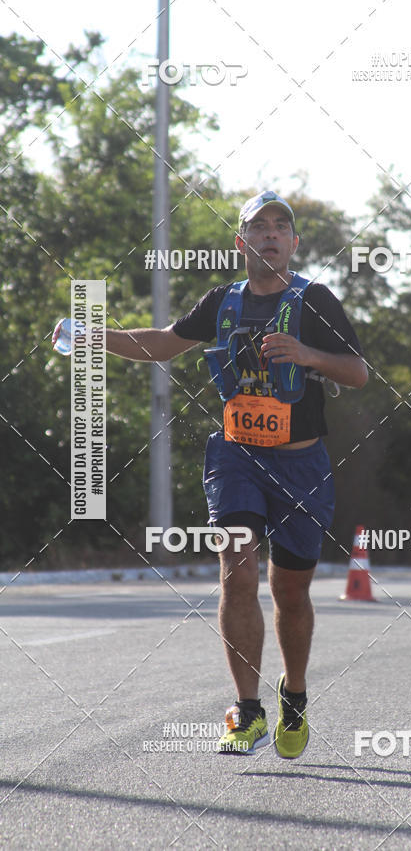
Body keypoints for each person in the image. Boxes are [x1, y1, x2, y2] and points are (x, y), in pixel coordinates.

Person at [55, 190, 367, 758]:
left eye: (281, 226)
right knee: (237, 571)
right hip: (236, 456)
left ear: (294, 243)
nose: (270, 234)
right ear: (241, 240)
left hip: (302, 464)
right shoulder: (221, 302)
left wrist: (308, 355)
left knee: (290, 592)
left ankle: (293, 694)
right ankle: (247, 711)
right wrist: (91, 337)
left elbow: (358, 373)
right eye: (259, 226)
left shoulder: (315, 300)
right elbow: (160, 345)